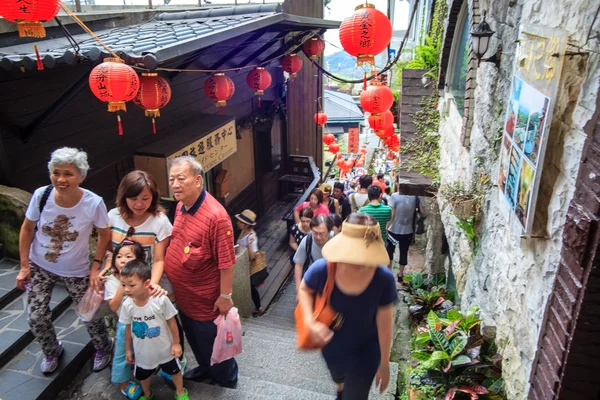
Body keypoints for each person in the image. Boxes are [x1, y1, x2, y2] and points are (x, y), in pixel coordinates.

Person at [16, 147, 113, 374]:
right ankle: (52, 350)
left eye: (68, 174)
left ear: (81, 176)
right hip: (40, 265)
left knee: (90, 312)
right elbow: (27, 229)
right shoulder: (42, 195)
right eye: (56, 172)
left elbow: (104, 233)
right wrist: (23, 266)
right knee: (36, 316)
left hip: (77, 269)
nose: (61, 179)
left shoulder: (93, 202)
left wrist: (96, 266)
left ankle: (103, 347)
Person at [297, 213, 398, 400]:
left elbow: (385, 321)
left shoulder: (383, 279)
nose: (358, 263)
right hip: (331, 347)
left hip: (366, 352)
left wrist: (384, 363)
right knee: (339, 379)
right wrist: (310, 323)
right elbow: (304, 289)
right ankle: (342, 387)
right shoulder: (322, 270)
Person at [164, 156, 238, 388]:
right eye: (172, 179)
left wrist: (225, 297)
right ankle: (206, 369)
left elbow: (226, 263)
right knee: (197, 342)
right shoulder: (180, 206)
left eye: (181, 179)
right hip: (184, 296)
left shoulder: (217, 218)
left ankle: (226, 381)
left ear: (197, 180)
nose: (175, 184)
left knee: (215, 343)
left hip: (206, 301)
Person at [107, 170, 185, 382]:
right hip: (122, 282)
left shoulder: (159, 221)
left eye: (145, 198)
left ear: (153, 197)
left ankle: (172, 364)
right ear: (124, 196)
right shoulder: (112, 217)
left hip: (150, 279)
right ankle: (131, 372)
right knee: (128, 329)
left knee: (163, 324)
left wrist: (152, 285)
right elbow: (108, 252)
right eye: (133, 198)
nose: (139, 204)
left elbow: (159, 259)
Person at [120, 260, 189, 400]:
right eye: (123, 285)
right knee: (143, 376)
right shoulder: (127, 305)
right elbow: (128, 328)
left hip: (165, 349)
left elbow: (172, 322)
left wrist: (176, 343)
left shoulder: (160, 300)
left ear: (146, 283)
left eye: (131, 285)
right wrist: (128, 349)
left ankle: (180, 391)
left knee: (175, 372)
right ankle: (147, 393)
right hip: (142, 352)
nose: (126, 289)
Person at [102, 239, 146, 400]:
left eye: (128, 256)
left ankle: (147, 371)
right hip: (125, 324)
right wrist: (123, 283)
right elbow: (113, 306)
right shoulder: (111, 280)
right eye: (119, 256)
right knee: (122, 353)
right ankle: (123, 383)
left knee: (144, 349)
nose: (122, 260)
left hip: (144, 319)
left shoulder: (143, 276)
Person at [387, 183, 422, 281]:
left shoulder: (394, 196)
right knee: (403, 251)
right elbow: (421, 211)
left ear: (398, 184)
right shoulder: (415, 197)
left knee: (390, 251)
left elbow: (392, 215)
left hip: (393, 231)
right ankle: (401, 274)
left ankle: (389, 273)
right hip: (407, 231)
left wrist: (387, 226)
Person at [235, 209, 264, 317]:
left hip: (247, 265)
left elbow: (253, 254)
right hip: (242, 264)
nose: (238, 223)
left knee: (251, 287)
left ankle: (259, 307)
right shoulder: (243, 232)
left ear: (246, 225)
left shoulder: (251, 237)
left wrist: (246, 254)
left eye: (240, 222)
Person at [293, 214, 333, 293]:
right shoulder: (307, 241)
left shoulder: (337, 241)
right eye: (315, 232)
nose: (318, 237)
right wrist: (298, 288)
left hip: (331, 282)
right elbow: (299, 264)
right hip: (312, 283)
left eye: (322, 233)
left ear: (329, 231)